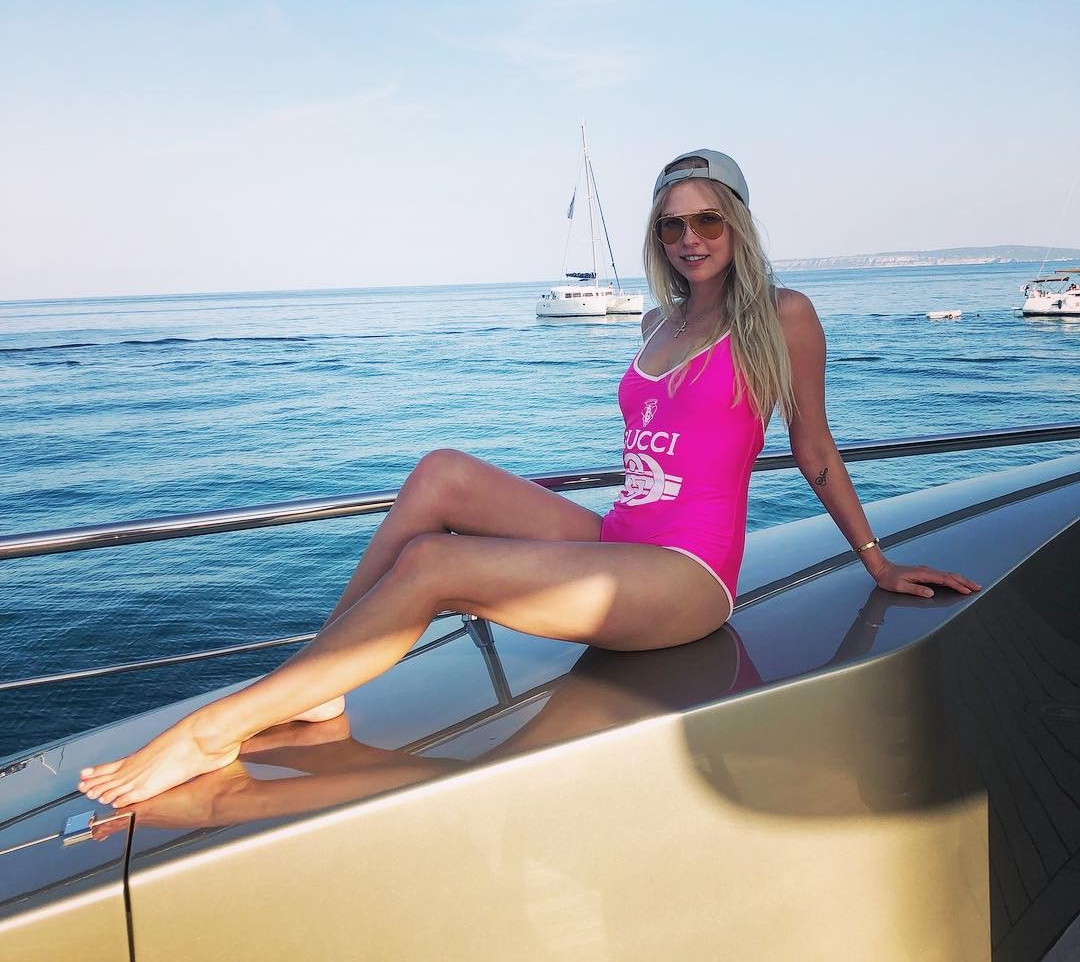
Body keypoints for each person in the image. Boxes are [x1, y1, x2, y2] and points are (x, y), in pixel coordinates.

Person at [78, 148, 980, 808]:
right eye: (671, 225)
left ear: (737, 224)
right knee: (440, 474)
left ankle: (211, 731)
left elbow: (814, 449)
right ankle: (321, 680)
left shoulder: (783, 316)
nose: (688, 238)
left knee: (434, 565)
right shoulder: (656, 324)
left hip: (689, 577)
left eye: (707, 220)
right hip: (624, 538)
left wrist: (878, 562)